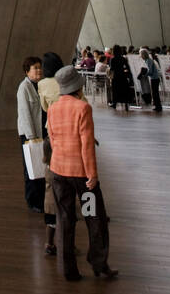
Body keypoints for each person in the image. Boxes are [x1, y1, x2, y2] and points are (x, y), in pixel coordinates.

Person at [47, 65, 117, 282]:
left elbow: (52, 139)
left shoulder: (53, 108)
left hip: (58, 172)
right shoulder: (82, 108)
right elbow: (86, 145)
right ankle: (98, 263)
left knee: (66, 219)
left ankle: (69, 269)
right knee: (93, 217)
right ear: (78, 87)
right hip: (81, 176)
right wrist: (92, 176)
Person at [37, 53, 68, 257]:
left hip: (52, 135)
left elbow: (44, 108)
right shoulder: (66, 82)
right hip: (70, 136)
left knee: (51, 184)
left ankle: (49, 241)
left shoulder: (43, 85)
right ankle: (69, 239)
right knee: (73, 185)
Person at [17, 56, 45, 214]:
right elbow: (25, 114)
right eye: (35, 68)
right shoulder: (24, 88)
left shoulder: (39, 85)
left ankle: (41, 199)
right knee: (31, 167)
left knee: (40, 166)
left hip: (40, 133)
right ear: (27, 71)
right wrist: (31, 136)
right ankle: (33, 200)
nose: (39, 70)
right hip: (30, 135)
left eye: (40, 67)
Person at [108, 44, 132, 112]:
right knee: (124, 90)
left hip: (116, 77)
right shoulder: (123, 58)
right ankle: (126, 103)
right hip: (123, 76)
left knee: (115, 90)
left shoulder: (112, 59)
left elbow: (112, 68)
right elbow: (127, 67)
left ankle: (115, 103)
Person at [140, 48, 162, 112]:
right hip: (154, 78)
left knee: (155, 93)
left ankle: (158, 107)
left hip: (154, 78)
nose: (140, 56)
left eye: (141, 55)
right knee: (155, 93)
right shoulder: (148, 60)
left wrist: (144, 75)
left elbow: (150, 71)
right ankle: (157, 106)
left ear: (144, 55)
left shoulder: (148, 61)